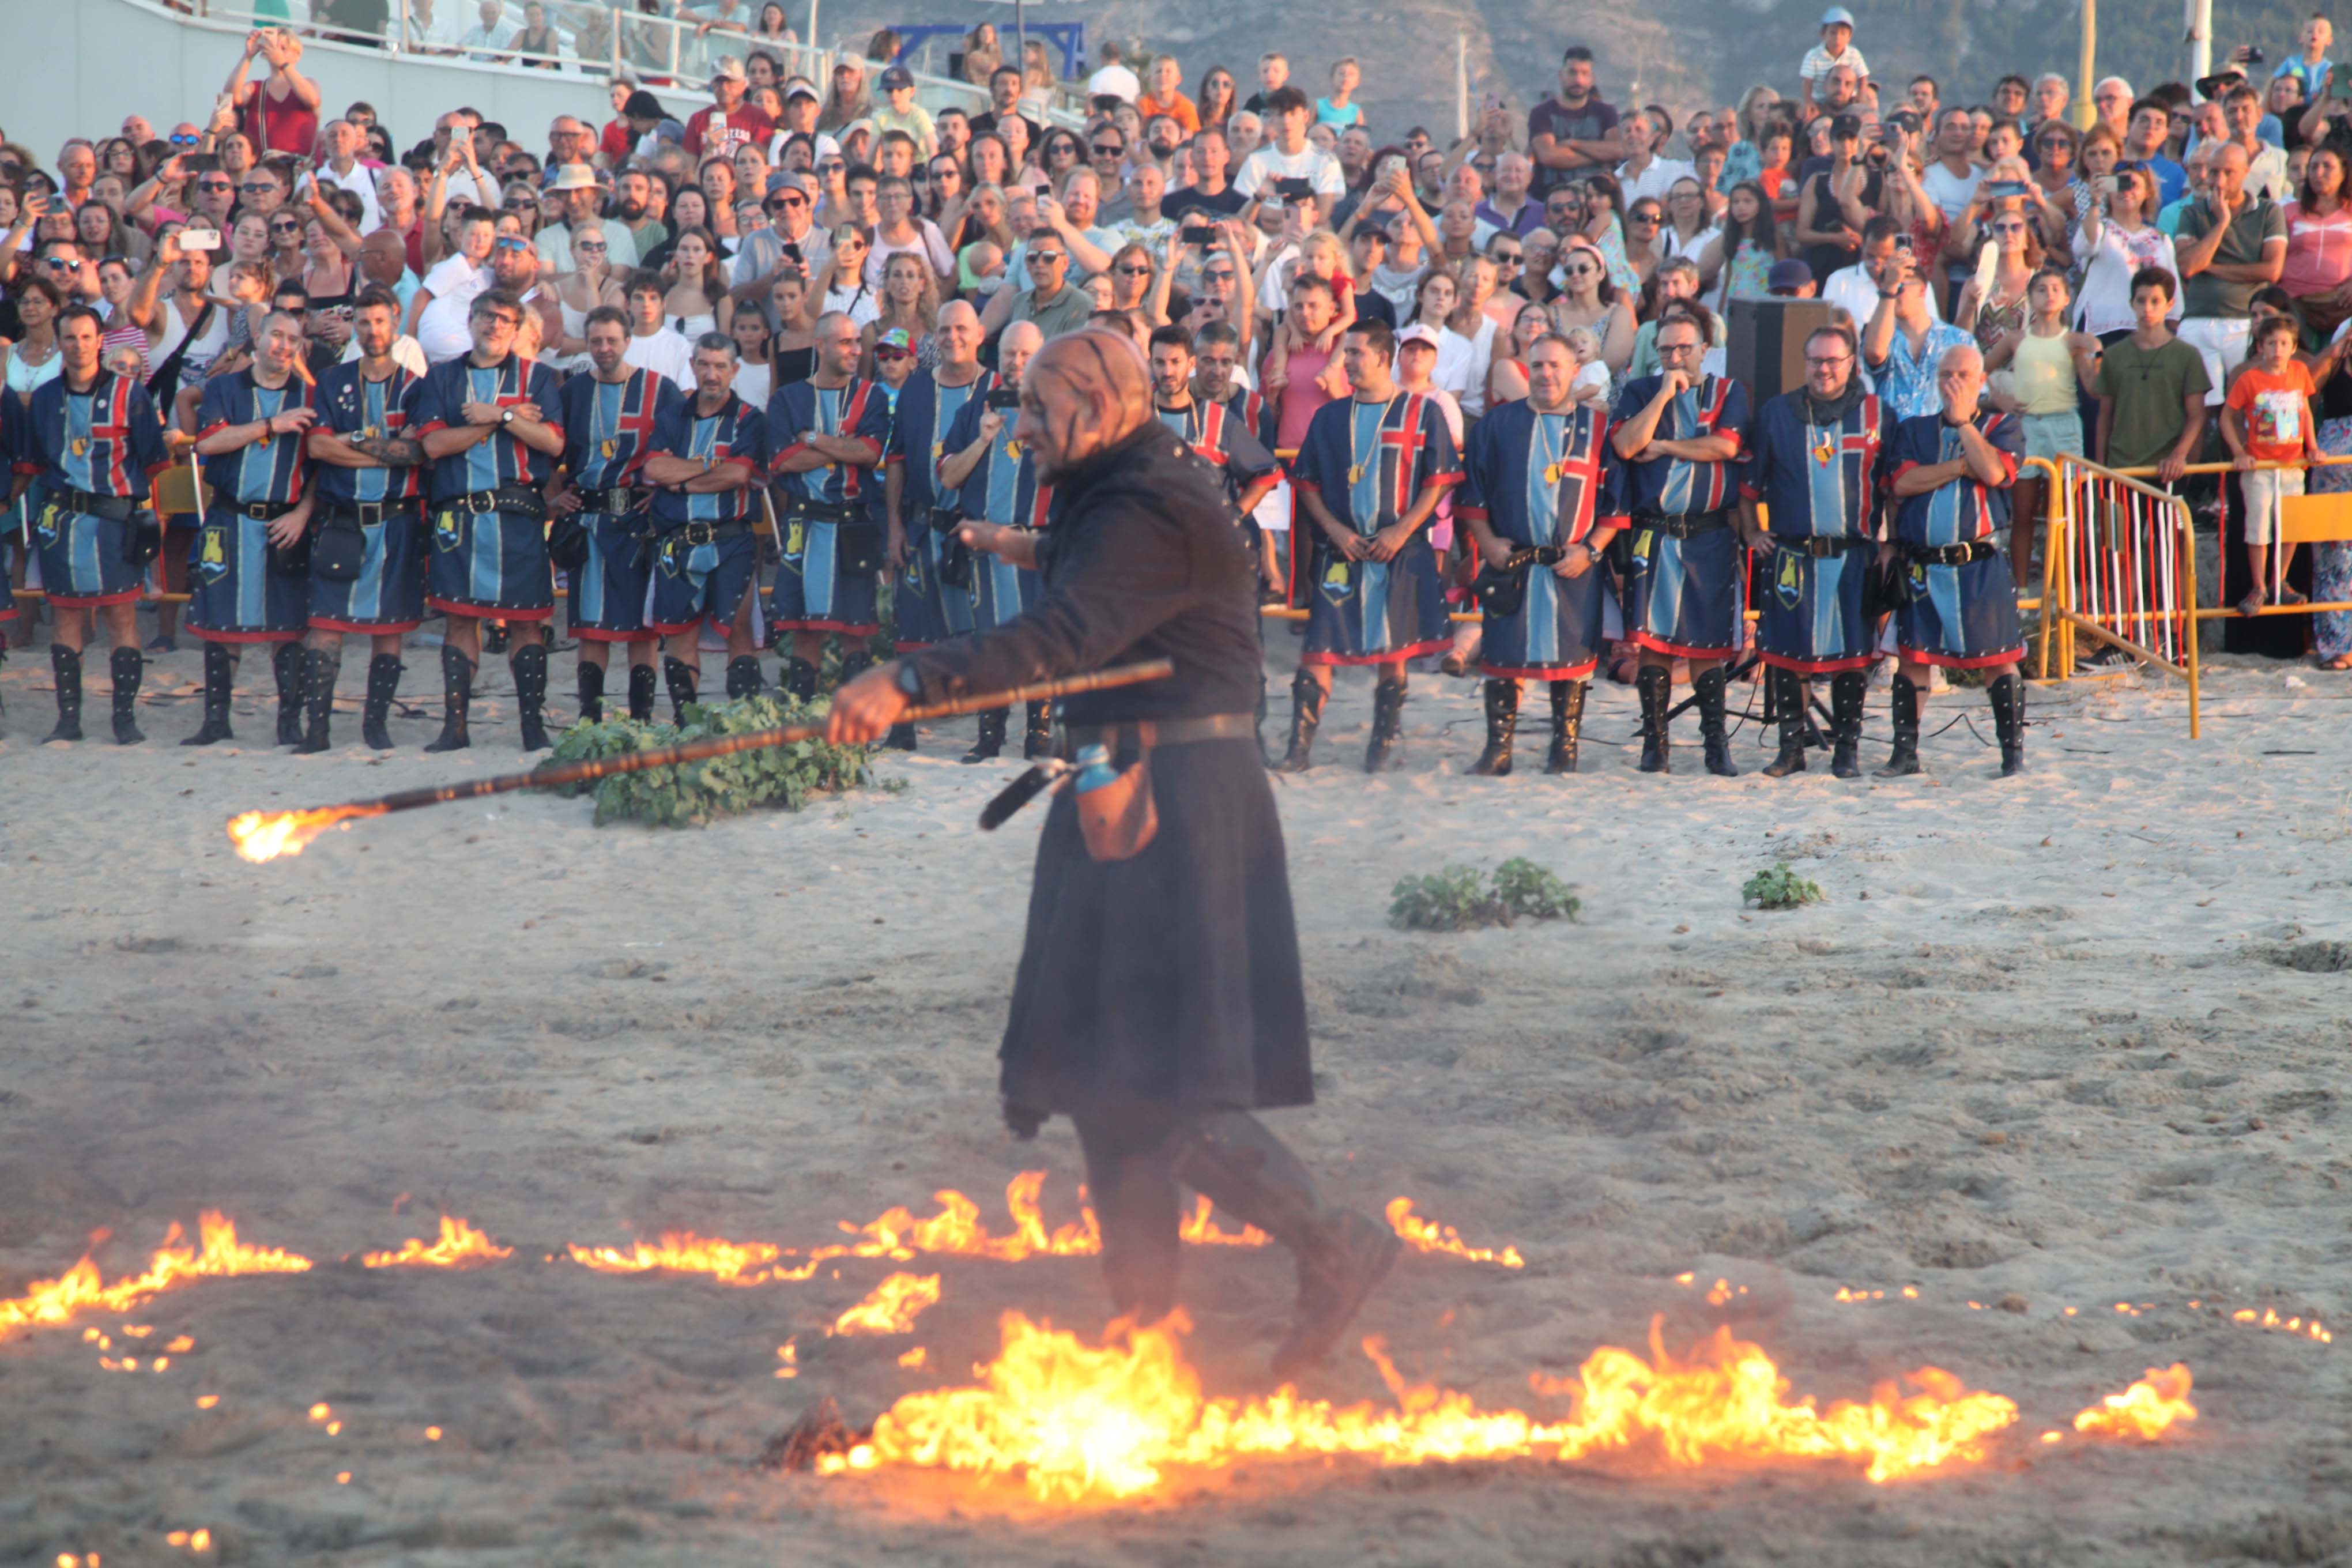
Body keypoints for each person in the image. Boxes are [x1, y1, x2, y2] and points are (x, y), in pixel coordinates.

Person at [825, 327, 1387, 1376]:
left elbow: (1067, 635)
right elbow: (1115, 582)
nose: (1022, 431)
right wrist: (1025, 547)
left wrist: (908, 680)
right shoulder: (1129, 487)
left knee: (1163, 1086)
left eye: (1038, 411)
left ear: (1093, 406)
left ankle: (1334, 1241)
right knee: (1103, 1084)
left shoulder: (1148, 504)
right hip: (1121, 786)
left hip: (1181, 804)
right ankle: (1144, 1339)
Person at [1281, 319, 1460, 772]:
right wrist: (1334, 530)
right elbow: (1307, 483)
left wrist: (1401, 531)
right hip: (1341, 551)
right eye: (1346, 352)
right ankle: (1298, 748)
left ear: (1382, 357)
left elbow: (1438, 482)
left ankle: (1381, 746)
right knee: (1319, 648)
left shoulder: (1423, 413)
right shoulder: (1330, 417)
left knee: (1392, 651)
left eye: (1355, 352)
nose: (1346, 361)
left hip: (1399, 551)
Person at [1454, 333, 1619, 777]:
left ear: (1574, 371)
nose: (1546, 374)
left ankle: (1564, 750)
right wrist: (1488, 543)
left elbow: (1617, 503)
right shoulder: (1498, 424)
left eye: (1555, 365)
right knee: (1503, 655)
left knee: (1572, 659)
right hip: (1513, 565)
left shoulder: (1597, 429)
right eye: (1538, 365)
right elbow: (1473, 494)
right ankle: (1498, 751)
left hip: (1573, 567)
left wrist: (1591, 550)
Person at [412, 289, 567, 751]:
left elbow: (553, 443)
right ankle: (455, 727)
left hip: (517, 514)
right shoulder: (443, 377)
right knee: (460, 621)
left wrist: (500, 413)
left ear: (516, 329)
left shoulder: (537, 377)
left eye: (503, 319)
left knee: (526, 622)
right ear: (471, 320)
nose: (494, 325)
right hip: (459, 516)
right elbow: (434, 445)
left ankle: (531, 727)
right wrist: (500, 421)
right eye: (485, 316)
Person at [11, 304, 169, 744]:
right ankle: (69, 720)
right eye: (69, 337)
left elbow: (153, 464)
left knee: (122, 617)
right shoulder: (45, 399)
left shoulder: (131, 394)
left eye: (86, 337)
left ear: (100, 341)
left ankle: (124, 719)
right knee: (65, 618)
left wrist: (144, 519)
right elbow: (32, 465)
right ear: (58, 341)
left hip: (115, 522)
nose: (78, 346)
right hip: (61, 524)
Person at [1739, 321, 1884, 778]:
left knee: (1852, 655)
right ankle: (1791, 749)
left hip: (1853, 557)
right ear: (1804, 363)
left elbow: (1893, 487)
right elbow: (1748, 486)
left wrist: (1892, 544)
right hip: (1792, 557)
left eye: (1833, 360)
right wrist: (1751, 532)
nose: (1824, 369)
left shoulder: (1878, 414)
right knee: (1788, 654)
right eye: (1816, 360)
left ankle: (1846, 750)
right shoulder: (1776, 414)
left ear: (1851, 364)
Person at [1608, 314, 1751, 775]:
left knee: (1707, 642)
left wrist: (1666, 447)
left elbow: (1726, 447)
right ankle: (1656, 743)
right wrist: (1663, 396)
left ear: (1704, 349)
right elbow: (1627, 446)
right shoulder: (1640, 392)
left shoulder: (1729, 391)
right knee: (1654, 641)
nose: (1675, 358)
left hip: (1709, 532)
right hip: (1656, 531)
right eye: (1666, 350)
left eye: (1684, 348)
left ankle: (1715, 745)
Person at [1878, 343, 2029, 777]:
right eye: (1946, 374)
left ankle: (2011, 755)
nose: (1953, 383)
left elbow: (1995, 473)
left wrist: (1964, 425)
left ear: (1981, 380)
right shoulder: (1914, 429)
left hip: (1978, 563)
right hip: (1923, 564)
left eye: (1963, 375)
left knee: (1998, 658)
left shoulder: (2003, 426)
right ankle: (1905, 753)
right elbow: (1903, 483)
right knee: (1913, 658)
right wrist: (1963, 467)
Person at [298, 287, 429, 752]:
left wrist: (351, 443)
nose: (372, 331)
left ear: (395, 323)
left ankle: (376, 726)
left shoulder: (416, 385)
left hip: (396, 522)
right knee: (325, 625)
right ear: (353, 326)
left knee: (388, 628)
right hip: (343, 520)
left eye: (379, 321)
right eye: (363, 322)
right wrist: (383, 452)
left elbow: (416, 452)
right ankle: (317, 729)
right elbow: (318, 447)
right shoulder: (332, 380)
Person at [553, 304, 680, 723]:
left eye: (612, 340)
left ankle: (641, 719)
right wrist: (556, 496)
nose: (604, 348)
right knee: (592, 626)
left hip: (639, 525)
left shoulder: (660, 390)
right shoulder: (573, 392)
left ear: (628, 340)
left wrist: (662, 492)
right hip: (588, 522)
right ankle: (590, 719)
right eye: (596, 341)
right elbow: (548, 450)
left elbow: (681, 447)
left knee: (643, 627)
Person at [881, 299, 993, 747]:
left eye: (962, 329)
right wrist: (894, 526)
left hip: (975, 533)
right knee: (911, 624)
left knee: (981, 626)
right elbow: (896, 460)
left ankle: (988, 734)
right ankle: (904, 726)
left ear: (980, 334)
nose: (953, 338)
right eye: (945, 330)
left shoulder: (997, 388)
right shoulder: (914, 389)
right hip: (922, 525)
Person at [937, 320, 1050, 759]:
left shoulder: (1061, 409)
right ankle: (990, 734)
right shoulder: (972, 411)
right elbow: (949, 476)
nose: (1017, 362)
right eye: (1009, 353)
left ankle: (1038, 733)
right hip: (988, 547)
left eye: (1026, 354)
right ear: (997, 356)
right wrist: (983, 440)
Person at [641, 331, 772, 708]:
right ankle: (686, 723)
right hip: (678, 541)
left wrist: (682, 482)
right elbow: (655, 469)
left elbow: (739, 474)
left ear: (734, 370)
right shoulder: (671, 417)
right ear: (692, 366)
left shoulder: (750, 419)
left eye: (720, 366)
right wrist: (712, 466)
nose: (711, 375)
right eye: (703, 365)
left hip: (732, 539)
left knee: (740, 630)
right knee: (679, 634)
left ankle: (742, 722)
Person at [766, 310, 892, 704]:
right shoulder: (788, 398)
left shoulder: (871, 396)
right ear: (820, 346)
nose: (856, 350)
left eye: (857, 342)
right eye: (845, 342)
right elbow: (782, 462)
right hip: (804, 525)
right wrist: (844, 448)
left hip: (854, 525)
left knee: (857, 629)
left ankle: (858, 717)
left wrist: (813, 439)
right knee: (805, 629)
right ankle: (804, 716)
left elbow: (870, 453)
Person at [2221, 312, 2320, 615]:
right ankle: (2259, 586)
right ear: (2260, 346)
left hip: (2292, 466)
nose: (2278, 349)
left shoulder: (2300, 372)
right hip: (2261, 468)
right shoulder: (2249, 379)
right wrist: (2239, 452)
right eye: (2272, 343)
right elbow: (2226, 417)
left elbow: (2305, 411)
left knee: (2291, 527)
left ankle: (2281, 580)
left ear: (2293, 347)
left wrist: (2312, 447)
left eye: (2284, 343)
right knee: (2258, 527)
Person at [2174, 143, 2287, 408]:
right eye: (2214, 172)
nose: (2219, 181)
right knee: (2200, 407)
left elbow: (2271, 271)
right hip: (2199, 320)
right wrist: (2222, 222)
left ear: (2246, 172)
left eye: (2229, 173)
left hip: (2245, 321)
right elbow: (2188, 266)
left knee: (2251, 404)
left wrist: (2211, 266)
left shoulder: (2269, 211)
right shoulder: (2192, 213)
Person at [1863, 248, 1976, 421]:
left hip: (1942, 432)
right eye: (1888, 287)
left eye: (1901, 286)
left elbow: (1976, 395)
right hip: (1893, 433)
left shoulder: (1959, 339)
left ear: (1922, 290)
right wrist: (1889, 290)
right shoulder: (1880, 334)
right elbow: (1875, 353)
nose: (1895, 293)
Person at [1528, 45, 1623, 198]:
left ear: (1592, 79)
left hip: (1593, 201)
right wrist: (1600, 156)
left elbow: (1617, 150)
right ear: (1561, 75)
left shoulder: (1606, 113)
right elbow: (1548, 156)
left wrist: (1573, 144)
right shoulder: (1542, 113)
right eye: (1572, 72)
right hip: (1549, 200)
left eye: (1584, 73)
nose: (1578, 80)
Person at [685, 56, 776, 162]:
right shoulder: (697, 120)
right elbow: (689, 167)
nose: (724, 88)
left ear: (743, 85)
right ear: (712, 85)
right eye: (719, 82)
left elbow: (759, 163)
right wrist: (709, 149)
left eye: (730, 82)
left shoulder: (760, 118)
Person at [1797, 7, 1869, 118]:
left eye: (1843, 34)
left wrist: (1861, 95)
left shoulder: (1854, 54)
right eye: (1833, 33)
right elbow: (1807, 81)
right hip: (1821, 101)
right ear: (1823, 34)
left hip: (1848, 101)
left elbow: (1863, 76)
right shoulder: (1813, 56)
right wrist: (1808, 101)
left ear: (1849, 37)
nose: (1838, 38)